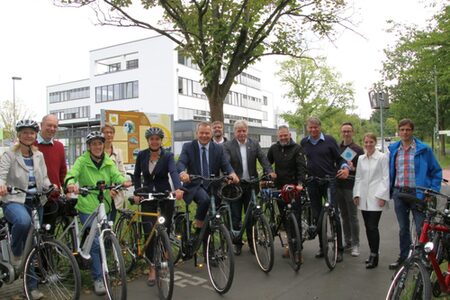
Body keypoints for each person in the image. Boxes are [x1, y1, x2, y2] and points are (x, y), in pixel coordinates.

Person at [65, 131, 132, 295]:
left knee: (105, 238)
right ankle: (98, 278)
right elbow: (72, 174)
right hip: (88, 205)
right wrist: (71, 184)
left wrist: (123, 182)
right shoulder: (82, 161)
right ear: (89, 146)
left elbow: (116, 175)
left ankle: (107, 266)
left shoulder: (108, 161)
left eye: (99, 143)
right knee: (95, 242)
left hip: (105, 205)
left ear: (103, 145)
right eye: (93, 144)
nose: (97, 146)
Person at [0, 120, 52, 300]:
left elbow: (44, 178)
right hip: (14, 200)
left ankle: (31, 288)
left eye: (31, 132)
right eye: (24, 132)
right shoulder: (9, 154)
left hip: (36, 201)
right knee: (23, 222)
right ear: (19, 135)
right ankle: (15, 253)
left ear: (35, 135)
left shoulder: (39, 156)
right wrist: (2, 185)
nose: (28, 135)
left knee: (34, 245)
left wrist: (51, 187)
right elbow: (2, 174)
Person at [388, 119, 442, 270]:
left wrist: (432, 191)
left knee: (420, 228)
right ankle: (403, 257)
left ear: (412, 131)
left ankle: (424, 259)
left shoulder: (424, 149)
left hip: (417, 193)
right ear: (399, 131)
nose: (405, 132)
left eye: (408, 129)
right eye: (402, 129)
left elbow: (436, 171)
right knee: (403, 228)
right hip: (399, 192)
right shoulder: (394, 149)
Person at [133, 126, 184, 286]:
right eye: (151, 139)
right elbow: (136, 175)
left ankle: (164, 254)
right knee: (149, 232)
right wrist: (137, 192)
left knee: (165, 227)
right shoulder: (141, 155)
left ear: (161, 141)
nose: (154, 141)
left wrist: (178, 188)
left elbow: (174, 172)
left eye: (157, 139)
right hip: (147, 195)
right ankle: (152, 267)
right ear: (148, 141)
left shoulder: (168, 155)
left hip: (164, 194)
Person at [300, 117, 349, 262]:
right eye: (311, 127)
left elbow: (339, 159)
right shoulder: (304, 142)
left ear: (320, 127)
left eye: (316, 127)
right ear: (307, 128)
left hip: (329, 181)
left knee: (333, 213)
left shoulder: (329, 140)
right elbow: (301, 162)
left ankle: (339, 249)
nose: (313, 130)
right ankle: (323, 247)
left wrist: (345, 167)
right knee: (317, 216)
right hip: (312, 182)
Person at [224, 120, 276, 255]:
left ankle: (252, 242)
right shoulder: (228, 146)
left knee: (251, 216)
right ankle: (237, 243)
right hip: (235, 186)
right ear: (234, 132)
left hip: (251, 184)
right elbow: (226, 162)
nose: (241, 133)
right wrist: (231, 174)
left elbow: (263, 159)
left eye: (243, 130)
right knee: (236, 215)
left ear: (247, 131)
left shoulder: (254, 144)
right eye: (238, 131)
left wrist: (269, 171)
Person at [176, 121, 239, 232]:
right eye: (201, 133)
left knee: (219, 208)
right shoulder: (188, 146)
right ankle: (198, 226)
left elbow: (225, 164)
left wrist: (232, 174)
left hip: (213, 185)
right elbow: (181, 162)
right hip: (195, 184)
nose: (204, 136)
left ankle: (212, 238)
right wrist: (182, 173)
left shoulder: (218, 148)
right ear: (197, 133)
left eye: (207, 133)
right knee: (204, 200)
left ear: (211, 134)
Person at [267, 125, 307, 257]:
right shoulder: (274, 148)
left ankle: (297, 249)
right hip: (280, 188)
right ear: (278, 136)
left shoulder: (297, 148)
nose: (283, 137)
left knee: (295, 216)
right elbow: (267, 163)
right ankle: (290, 245)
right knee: (285, 218)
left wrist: (300, 184)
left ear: (290, 135)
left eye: (285, 135)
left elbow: (301, 167)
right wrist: (269, 173)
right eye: (281, 136)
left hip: (294, 188)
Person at [353, 133, 390, 269]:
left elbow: (385, 178)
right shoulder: (361, 158)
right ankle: (371, 253)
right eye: (366, 142)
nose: (368, 145)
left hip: (376, 197)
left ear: (375, 143)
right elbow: (358, 178)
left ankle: (375, 255)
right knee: (368, 227)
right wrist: (356, 194)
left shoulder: (382, 158)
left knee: (373, 227)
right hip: (363, 197)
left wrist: (382, 196)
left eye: (371, 142)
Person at [34, 114, 67, 235]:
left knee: (49, 235)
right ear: (41, 125)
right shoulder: (31, 144)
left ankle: (48, 253)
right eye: (49, 125)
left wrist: (66, 188)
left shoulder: (59, 146)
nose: (52, 129)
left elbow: (63, 171)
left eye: (55, 126)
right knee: (33, 234)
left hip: (52, 197)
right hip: (35, 197)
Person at [336, 122, 364, 257]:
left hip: (351, 187)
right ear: (341, 132)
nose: (346, 133)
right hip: (338, 186)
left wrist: (353, 169)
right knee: (344, 216)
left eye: (348, 131)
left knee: (353, 216)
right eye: (344, 131)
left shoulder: (357, 149)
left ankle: (355, 244)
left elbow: (364, 169)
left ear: (353, 132)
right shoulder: (337, 148)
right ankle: (347, 241)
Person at [101, 123, 126, 223]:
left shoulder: (118, 152)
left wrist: (115, 189)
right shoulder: (97, 151)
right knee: (101, 222)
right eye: (106, 132)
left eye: (111, 132)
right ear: (102, 134)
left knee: (111, 222)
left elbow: (121, 173)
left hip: (114, 195)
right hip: (101, 193)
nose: (109, 135)